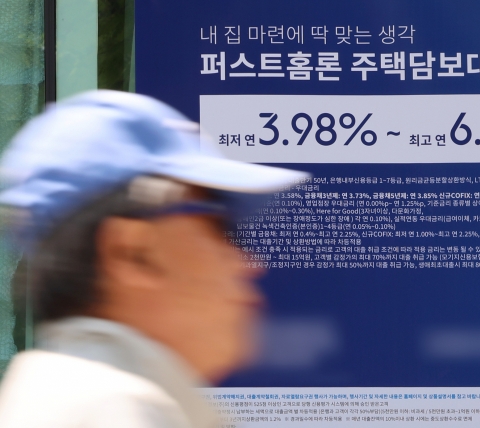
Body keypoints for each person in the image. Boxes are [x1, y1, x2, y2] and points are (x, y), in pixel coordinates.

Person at [0, 90, 307, 427]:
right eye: (219, 225)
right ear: (132, 253)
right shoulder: (116, 411)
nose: (247, 262)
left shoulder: (63, 394)